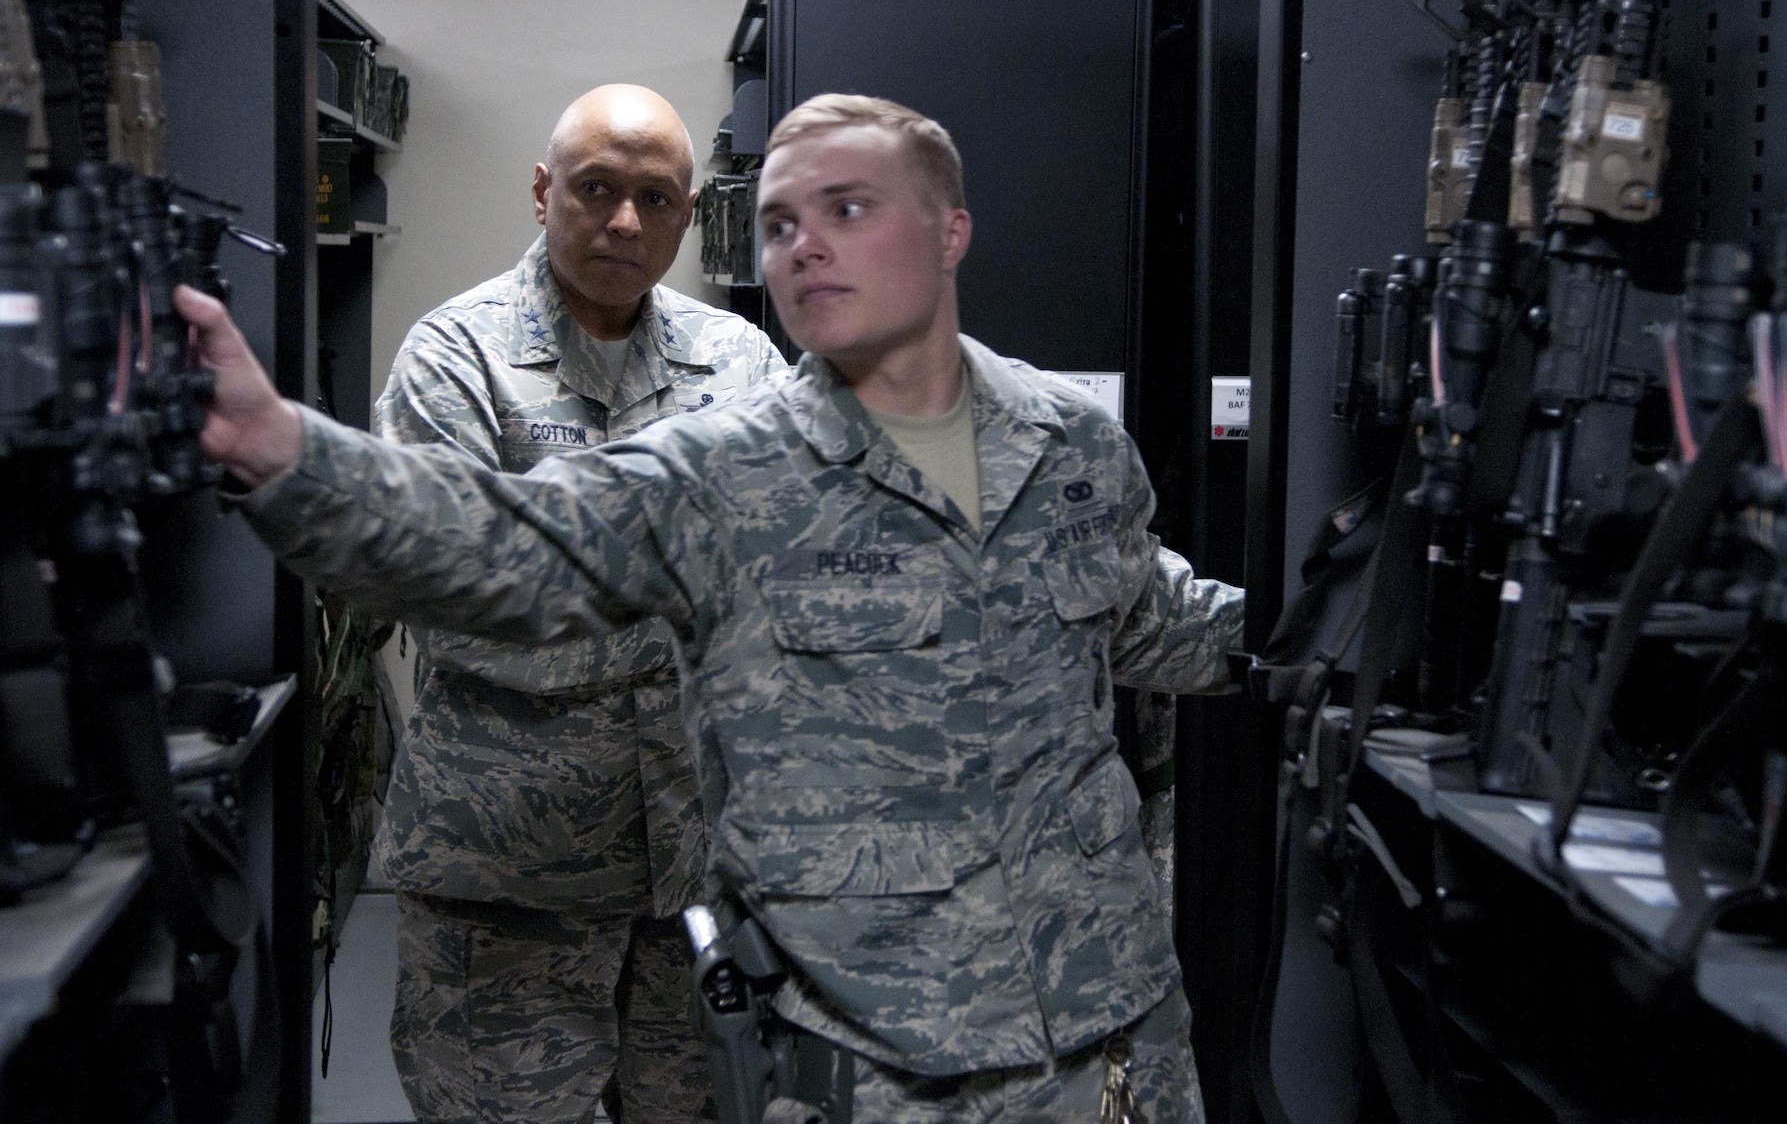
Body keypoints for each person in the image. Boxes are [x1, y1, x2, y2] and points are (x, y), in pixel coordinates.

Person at [178, 94, 1242, 1123]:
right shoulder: (729, 469)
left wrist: (1323, 633)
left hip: (1100, 1025)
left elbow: (1147, 612)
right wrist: (277, 447)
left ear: (950, 231)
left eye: (847, 209)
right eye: (778, 224)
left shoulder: (1068, 441)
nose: (803, 245)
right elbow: (494, 543)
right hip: (860, 1045)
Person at [373, 84, 788, 1124]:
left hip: (697, 885)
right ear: (541, 190)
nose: (623, 223)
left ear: (689, 214)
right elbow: (461, 597)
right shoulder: (455, 357)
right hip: (509, 883)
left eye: (655, 199)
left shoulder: (740, 364)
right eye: (596, 190)